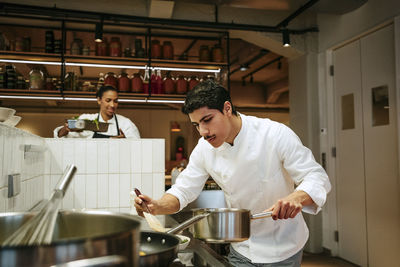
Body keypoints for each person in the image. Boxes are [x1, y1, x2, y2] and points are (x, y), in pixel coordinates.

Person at [134, 80, 331, 266]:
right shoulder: (204, 148)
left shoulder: (274, 134)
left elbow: (315, 176)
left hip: (283, 247)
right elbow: (183, 190)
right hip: (241, 246)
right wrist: (157, 206)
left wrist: (296, 197)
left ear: (227, 108)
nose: (203, 131)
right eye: (196, 125)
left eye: (207, 120)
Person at [54, 85, 140, 139]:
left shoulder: (126, 123)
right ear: (99, 100)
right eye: (108, 100)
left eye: (115, 101)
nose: (112, 105)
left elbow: (137, 147)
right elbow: (60, 136)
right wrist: (65, 129)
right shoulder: (86, 120)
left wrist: (125, 143)